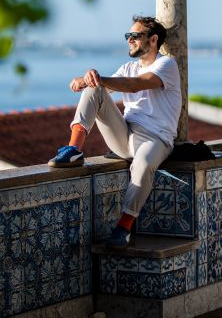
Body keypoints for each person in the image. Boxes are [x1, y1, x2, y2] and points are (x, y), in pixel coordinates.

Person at [48, 15, 182, 248]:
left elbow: (135, 84)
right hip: (126, 134)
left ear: (152, 40)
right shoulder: (128, 67)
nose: (129, 40)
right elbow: (103, 88)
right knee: (94, 90)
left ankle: (123, 228)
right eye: (127, 36)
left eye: (135, 36)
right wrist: (85, 78)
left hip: (156, 138)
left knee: (143, 165)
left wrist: (98, 79)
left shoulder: (166, 65)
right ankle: (73, 149)